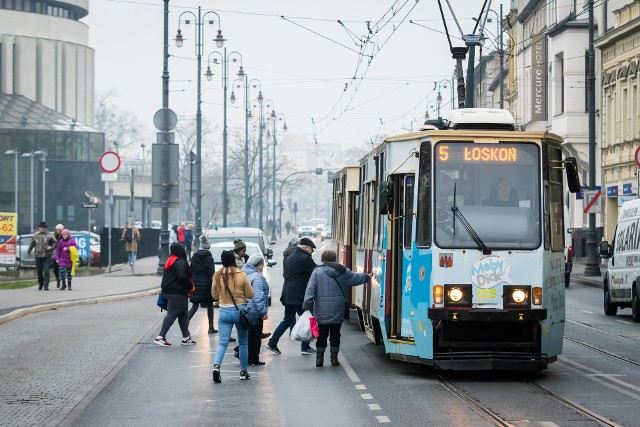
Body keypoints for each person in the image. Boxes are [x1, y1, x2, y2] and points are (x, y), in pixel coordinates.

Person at [303, 250, 370, 367]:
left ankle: (319, 359)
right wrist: (367, 277)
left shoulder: (317, 272)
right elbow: (356, 278)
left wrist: (307, 303)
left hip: (321, 309)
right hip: (337, 308)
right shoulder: (342, 271)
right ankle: (334, 359)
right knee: (335, 333)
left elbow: (310, 289)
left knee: (322, 334)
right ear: (335, 259)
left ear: (323, 259)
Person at [266, 237, 318, 355]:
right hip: (298, 295)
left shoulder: (291, 257)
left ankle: (272, 342)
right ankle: (305, 346)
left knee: (287, 320)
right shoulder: (306, 259)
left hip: (287, 293)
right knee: (309, 319)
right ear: (306, 248)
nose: (312, 252)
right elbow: (316, 271)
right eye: (311, 249)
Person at [211, 250, 255, 382]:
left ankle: (216, 366)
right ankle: (243, 371)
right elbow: (250, 294)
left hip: (224, 311)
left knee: (223, 342)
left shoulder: (217, 275)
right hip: (240, 311)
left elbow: (214, 295)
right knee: (243, 343)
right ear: (233, 261)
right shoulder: (241, 274)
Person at [154, 243, 197, 347]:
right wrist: (190, 287)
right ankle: (160, 337)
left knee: (183, 315)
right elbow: (182, 277)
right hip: (177, 293)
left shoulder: (170, 260)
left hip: (169, 292)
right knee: (171, 315)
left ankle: (186, 337)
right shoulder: (180, 262)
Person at [234, 253, 269, 366]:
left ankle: (245, 354)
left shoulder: (245, 274)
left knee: (249, 335)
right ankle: (252, 358)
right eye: (262, 265)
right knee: (255, 337)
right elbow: (257, 297)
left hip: (246, 310)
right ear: (258, 265)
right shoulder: (257, 277)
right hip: (255, 312)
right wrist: (263, 312)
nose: (263, 267)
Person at [188, 236, 217, 334]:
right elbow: (211, 273)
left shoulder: (194, 256)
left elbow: (190, 270)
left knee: (194, 306)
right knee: (210, 305)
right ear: (208, 248)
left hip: (196, 284)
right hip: (207, 285)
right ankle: (211, 327)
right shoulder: (209, 258)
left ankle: (185, 323)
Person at [27, 221, 57, 291]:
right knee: (39, 271)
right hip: (38, 256)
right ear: (39, 228)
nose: (42, 229)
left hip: (47, 255)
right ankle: (41, 283)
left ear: (46, 228)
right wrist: (29, 251)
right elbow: (32, 244)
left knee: (46, 270)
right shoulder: (35, 235)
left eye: (44, 228)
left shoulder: (50, 235)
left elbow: (55, 242)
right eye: (41, 228)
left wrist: (51, 247)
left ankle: (46, 285)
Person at [51, 224, 64, 288]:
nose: (58, 231)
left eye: (59, 230)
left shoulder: (64, 236)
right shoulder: (53, 236)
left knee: (62, 268)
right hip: (55, 254)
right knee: (55, 269)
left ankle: (63, 281)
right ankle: (58, 279)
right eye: (57, 229)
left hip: (62, 254)